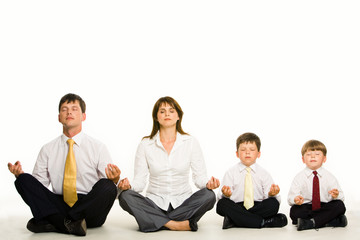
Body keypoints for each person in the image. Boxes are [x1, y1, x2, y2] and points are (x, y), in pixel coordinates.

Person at [7, 93, 121, 236]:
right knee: (22, 180)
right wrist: (20, 175)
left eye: (74, 109)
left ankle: (55, 222)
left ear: (83, 116)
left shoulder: (98, 147)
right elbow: (39, 186)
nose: (69, 112)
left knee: (108, 186)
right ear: (59, 117)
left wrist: (115, 179)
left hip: (90, 208)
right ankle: (68, 224)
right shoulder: (48, 149)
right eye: (64, 109)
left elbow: (107, 187)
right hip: (59, 203)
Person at [117, 96, 220, 232]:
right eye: (162, 111)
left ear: (178, 116)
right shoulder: (145, 144)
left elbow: (199, 178)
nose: (167, 114)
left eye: (171, 111)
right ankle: (174, 224)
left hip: (184, 202)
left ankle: (153, 221)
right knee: (125, 196)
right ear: (156, 117)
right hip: (154, 203)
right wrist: (128, 186)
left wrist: (208, 184)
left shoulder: (190, 142)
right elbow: (140, 182)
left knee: (209, 196)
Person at [216, 132, 287, 229]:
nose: (247, 152)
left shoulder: (264, 173)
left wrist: (272, 194)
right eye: (243, 150)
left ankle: (235, 220)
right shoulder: (230, 172)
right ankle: (263, 222)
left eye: (252, 150)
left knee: (273, 204)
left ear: (259, 154)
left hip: (257, 206)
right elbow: (221, 196)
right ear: (237, 154)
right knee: (222, 204)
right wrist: (226, 194)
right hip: (237, 206)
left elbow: (273, 199)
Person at [288, 139, 347, 231]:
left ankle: (310, 222)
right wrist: (296, 199)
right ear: (303, 159)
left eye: (317, 154)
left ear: (324, 159)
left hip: (325, 206)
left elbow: (341, 197)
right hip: (308, 206)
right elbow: (291, 198)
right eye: (308, 154)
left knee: (339, 205)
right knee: (294, 211)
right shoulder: (299, 177)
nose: (312, 157)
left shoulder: (330, 177)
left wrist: (336, 195)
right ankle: (330, 221)